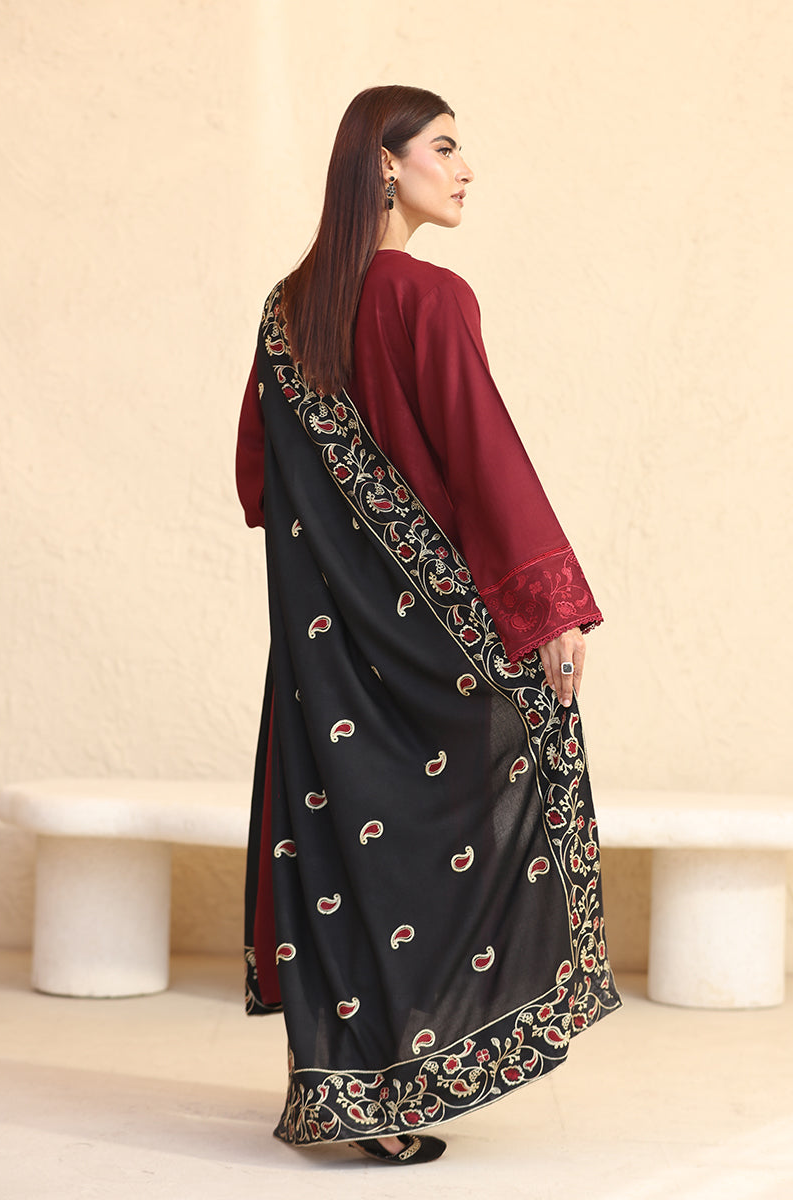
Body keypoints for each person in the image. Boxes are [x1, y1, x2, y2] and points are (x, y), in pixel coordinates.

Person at [236, 85, 621, 1166]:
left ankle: (347, 1089)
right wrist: (546, 608)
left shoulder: (285, 310)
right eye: (443, 148)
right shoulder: (427, 296)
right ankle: (415, 1073)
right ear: (382, 165)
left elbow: (258, 480)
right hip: (424, 634)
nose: (462, 169)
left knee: (346, 835)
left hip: (326, 645)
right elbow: (481, 455)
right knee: (484, 796)